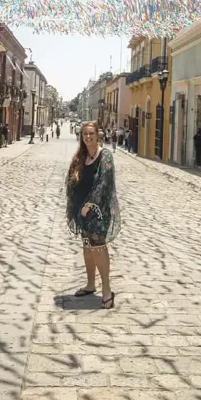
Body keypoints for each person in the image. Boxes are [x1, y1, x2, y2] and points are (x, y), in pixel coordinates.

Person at [66, 122, 120, 309]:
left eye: (91, 134)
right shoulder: (81, 156)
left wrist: (89, 204)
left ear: (97, 135)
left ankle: (107, 291)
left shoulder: (105, 156)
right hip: (82, 211)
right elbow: (71, 179)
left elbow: (104, 182)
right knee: (87, 247)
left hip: (98, 211)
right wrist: (75, 205)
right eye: (85, 134)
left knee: (98, 248)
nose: (88, 137)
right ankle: (90, 284)